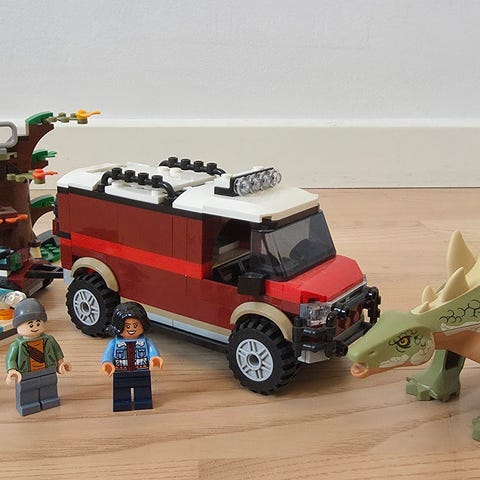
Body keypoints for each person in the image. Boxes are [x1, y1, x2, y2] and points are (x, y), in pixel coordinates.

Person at [5, 298, 72, 415]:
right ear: (18, 326)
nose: (35, 327)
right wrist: (12, 371)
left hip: (48, 370)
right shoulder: (17, 345)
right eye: (30, 324)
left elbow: (57, 352)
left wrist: (61, 363)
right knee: (27, 390)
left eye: (38, 323)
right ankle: (28, 405)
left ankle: (50, 400)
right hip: (26, 373)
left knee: (49, 386)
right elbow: (11, 359)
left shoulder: (49, 340)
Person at [101, 302, 163, 411]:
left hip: (141, 370)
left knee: (143, 389)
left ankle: (143, 401)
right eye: (127, 326)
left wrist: (154, 358)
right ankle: (121, 403)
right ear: (118, 326)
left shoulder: (146, 341)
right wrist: (107, 363)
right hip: (121, 371)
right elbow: (108, 354)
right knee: (121, 390)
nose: (131, 329)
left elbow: (152, 351)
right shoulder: (114, 343)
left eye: (135, 325)